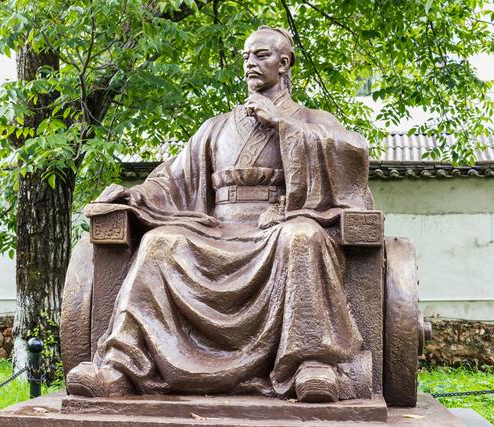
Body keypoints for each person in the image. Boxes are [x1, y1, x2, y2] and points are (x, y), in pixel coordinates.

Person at [66, 26, 374, 403]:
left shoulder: (312, 120)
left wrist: (284, 125)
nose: (250, 64)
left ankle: (311, 363)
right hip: (218, 227)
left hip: (278, 223)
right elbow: (172, 180)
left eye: (260, 55)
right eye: (246, 56)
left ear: (284, 62)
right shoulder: (217, 128)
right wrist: (133, 196)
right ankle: (120, 366)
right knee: (159, 243)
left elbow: (353, 156)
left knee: (304, 238)